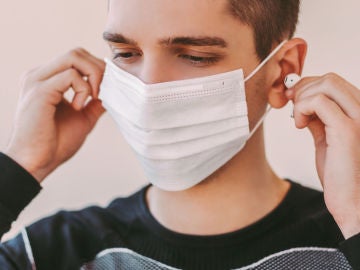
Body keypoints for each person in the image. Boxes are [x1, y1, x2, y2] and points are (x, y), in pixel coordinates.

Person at [1, 0, 359, 269]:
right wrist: (20, 165)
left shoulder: (346, 241)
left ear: (283, 71)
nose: (148, 89)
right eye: (125, 53)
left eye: (194, 56)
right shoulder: (55, 252)